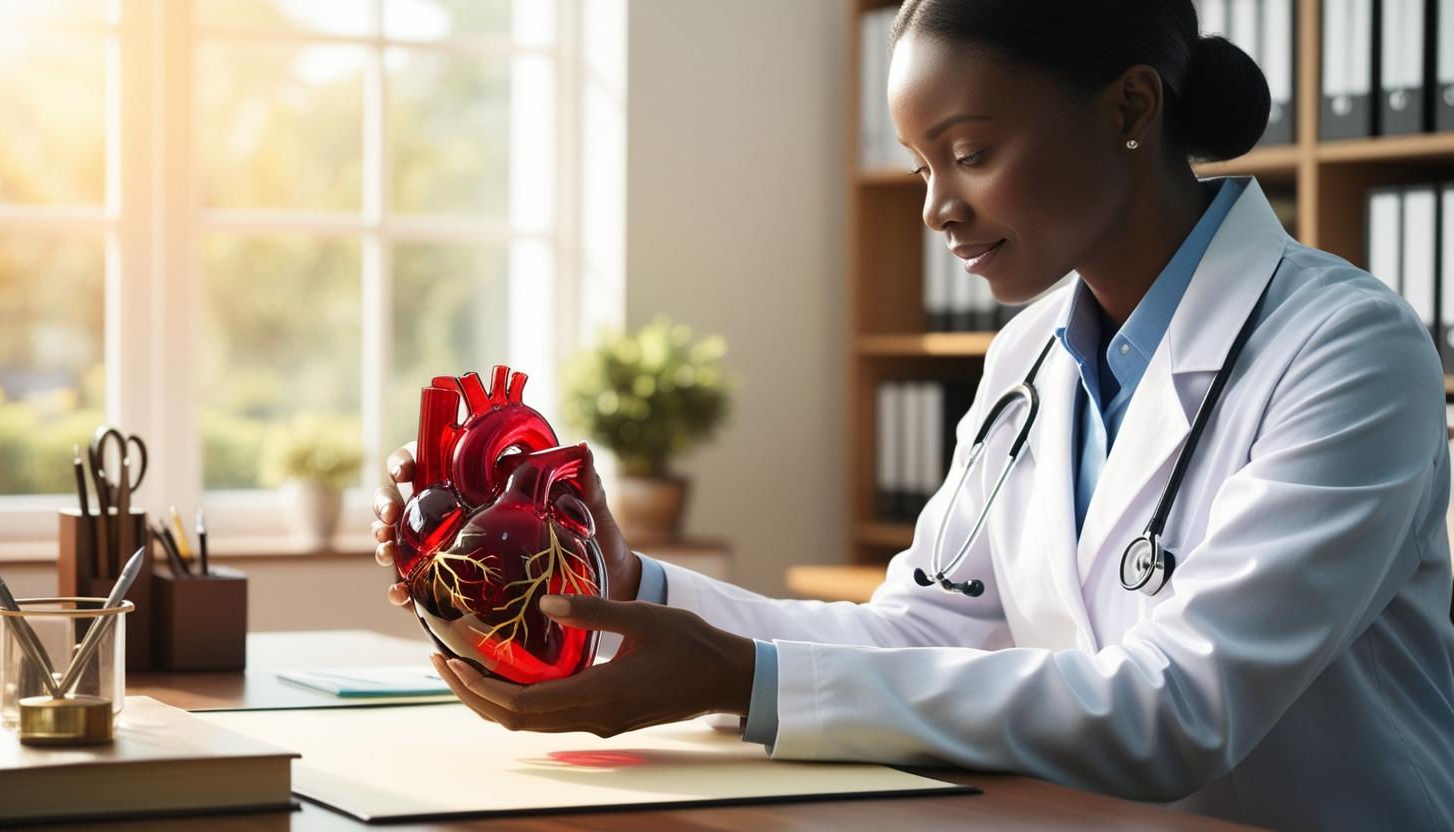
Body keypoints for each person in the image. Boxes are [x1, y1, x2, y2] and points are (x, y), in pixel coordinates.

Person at [370, 1, 1454, 828]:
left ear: (1129, 108)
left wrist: (741, 680)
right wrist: (619, 587)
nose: (936, 208)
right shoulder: (1030, 352)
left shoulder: (1345, 353)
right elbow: (921, 633)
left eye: (970, 153)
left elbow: (1177, 708)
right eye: (922, 164)